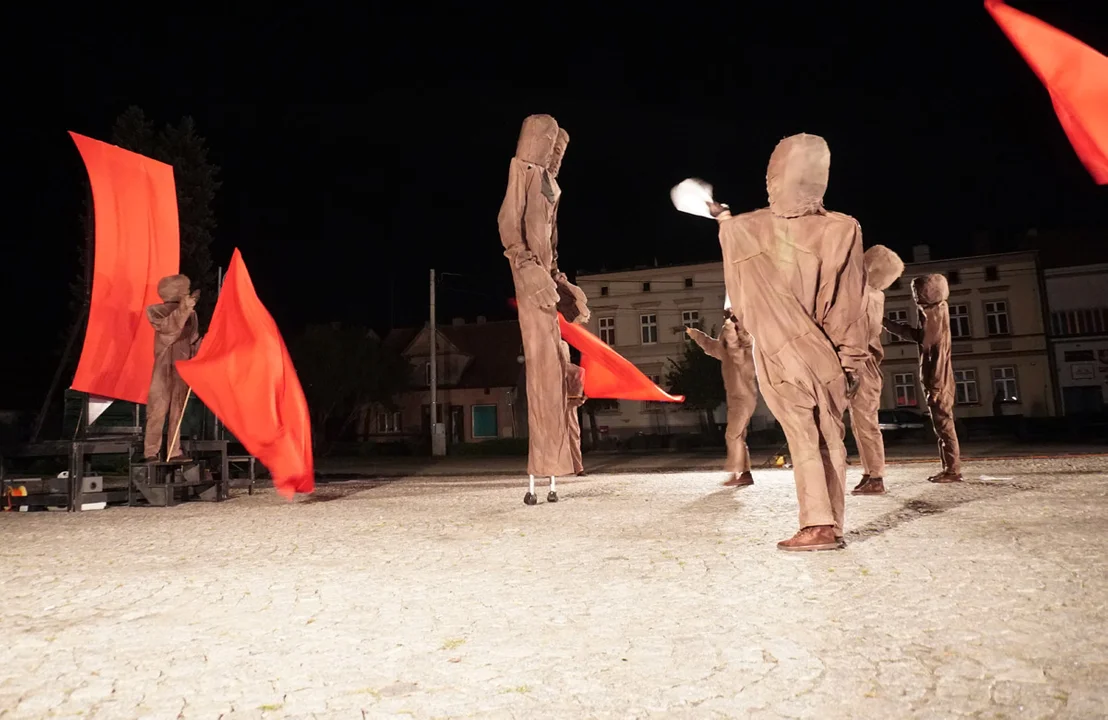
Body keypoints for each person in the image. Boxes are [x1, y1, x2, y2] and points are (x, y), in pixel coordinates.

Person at [710, 133, 868, 551]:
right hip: (827, 353)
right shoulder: (843, 228)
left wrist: (722, 218)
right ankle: (827, 521)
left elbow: (738, 243)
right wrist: (851, 360)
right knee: (826, 433)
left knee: (804, 432)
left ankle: (819, 524)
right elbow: (849, 303)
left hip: (785, 350)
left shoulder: (754, 227)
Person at [498, 114, 578, 504]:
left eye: (561, 150)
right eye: (553, 148)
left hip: (544, 281)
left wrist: (561, 282)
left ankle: (557, 458)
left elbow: (552, 244)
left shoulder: (551, 186)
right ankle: (547, 459)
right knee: (545, 367)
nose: (557, 157)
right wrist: (528, 269)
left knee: (558, 366)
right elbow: (508, 224)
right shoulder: (525, 171)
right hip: (528, 277)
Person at [883, 274, 963, 483]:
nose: (914, 296)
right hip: (938, 381)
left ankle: (953, 471)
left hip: (939, 382)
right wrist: (886, 324)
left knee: (944, 426)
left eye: (917, 291)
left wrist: (935, 387)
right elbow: (918, 337)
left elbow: (937, 353)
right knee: (942, 427)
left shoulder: (935, 314)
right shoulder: (932, 313)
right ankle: (949, 468)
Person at [849, 245, 905, 496]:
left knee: (866, 424)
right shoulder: (870, 294)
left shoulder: (868, 297)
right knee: (860, 425)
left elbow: (861, 332)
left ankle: (877, 476)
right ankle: (869, 472)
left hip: (863, 365)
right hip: (862, 364)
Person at [686, 307, 758, 487]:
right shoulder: (726, 352)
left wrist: (732, 322)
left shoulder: (743, 351)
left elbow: (737, 340)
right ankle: (745, 473)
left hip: (742, 399)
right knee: (738, 436)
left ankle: (736, 474)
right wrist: (692, 332)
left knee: (732, 435)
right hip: (739, 399)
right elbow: (710, 345)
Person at [143, 274, 200, 462]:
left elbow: (192, 341)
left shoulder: (191, 314)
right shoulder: (156, 311)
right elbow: (169, 330)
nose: (187, 291)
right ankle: (151, 452)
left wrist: (208, 343)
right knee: (157, 410)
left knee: (178, 410)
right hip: (163, 368)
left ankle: (174, 451)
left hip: (181, 367)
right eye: (184, 288)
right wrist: (184, 308)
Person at [560, 341, 587, 476]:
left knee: (568, 436)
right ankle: (577, 467)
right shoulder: (577, 371)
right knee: (572, 436)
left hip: (563, 406)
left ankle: (576, 467)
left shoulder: (576, 371)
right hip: (566, 406)